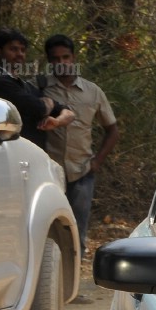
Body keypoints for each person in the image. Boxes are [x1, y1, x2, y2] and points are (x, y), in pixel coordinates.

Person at [42, 34, 119, 263]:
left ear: (74, 57)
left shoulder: (92, 92)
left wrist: (96, 162)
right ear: (49, 61)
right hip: (48, 171)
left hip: (82, 172)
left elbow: (113, 130)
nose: (62, 62)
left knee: (77, 230)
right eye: (55, 59)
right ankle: (48, 284)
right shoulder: (40, 89)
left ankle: (73, 288)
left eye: (66, 57)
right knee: (46, 227)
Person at [0, 28, 74, 148]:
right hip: (10, 155)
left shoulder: (24, 85)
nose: (19, 54)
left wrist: (57, 121)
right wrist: (47, 104)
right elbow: (38, 108)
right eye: (13, 49)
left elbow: (68, 112)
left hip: (30, 157)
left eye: (23, 50)